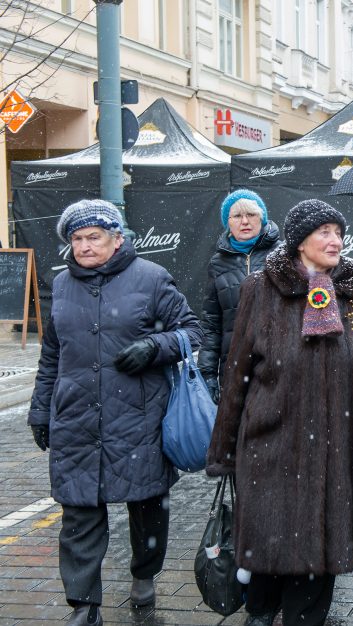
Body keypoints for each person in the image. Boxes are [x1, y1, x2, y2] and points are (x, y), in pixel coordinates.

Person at [205, 199, 353, 626]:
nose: (335, 240)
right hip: (271, 440)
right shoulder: (260, 289)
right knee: (266, 549)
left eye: (339, 232)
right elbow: (238, 373)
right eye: (324, 232)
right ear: (299, 241)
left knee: (318, 557)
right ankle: (261, 613)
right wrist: (224, 451)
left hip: (338, 448)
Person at [28, 199, 203, 626]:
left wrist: (153, 348)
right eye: (77, 239)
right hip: (76, 419)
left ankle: (144, 575)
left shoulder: (151, 278)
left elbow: (192, 332)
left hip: (138, 419)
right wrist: (40, 409)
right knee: (78, 514)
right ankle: (84, 606)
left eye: (94, 237)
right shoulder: (62, 284)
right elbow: (52, 353)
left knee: (146, 506)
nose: (85, 247)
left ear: (117, 238)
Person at [198, 189, 280, 403]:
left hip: (278, 365)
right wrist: (207, 374)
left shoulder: (283, 255)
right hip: (234, 367)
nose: (245, 221)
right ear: (228, 222)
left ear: (262, 218)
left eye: (251, 214)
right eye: (237, 216)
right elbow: (211, 324)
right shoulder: (218, 263)